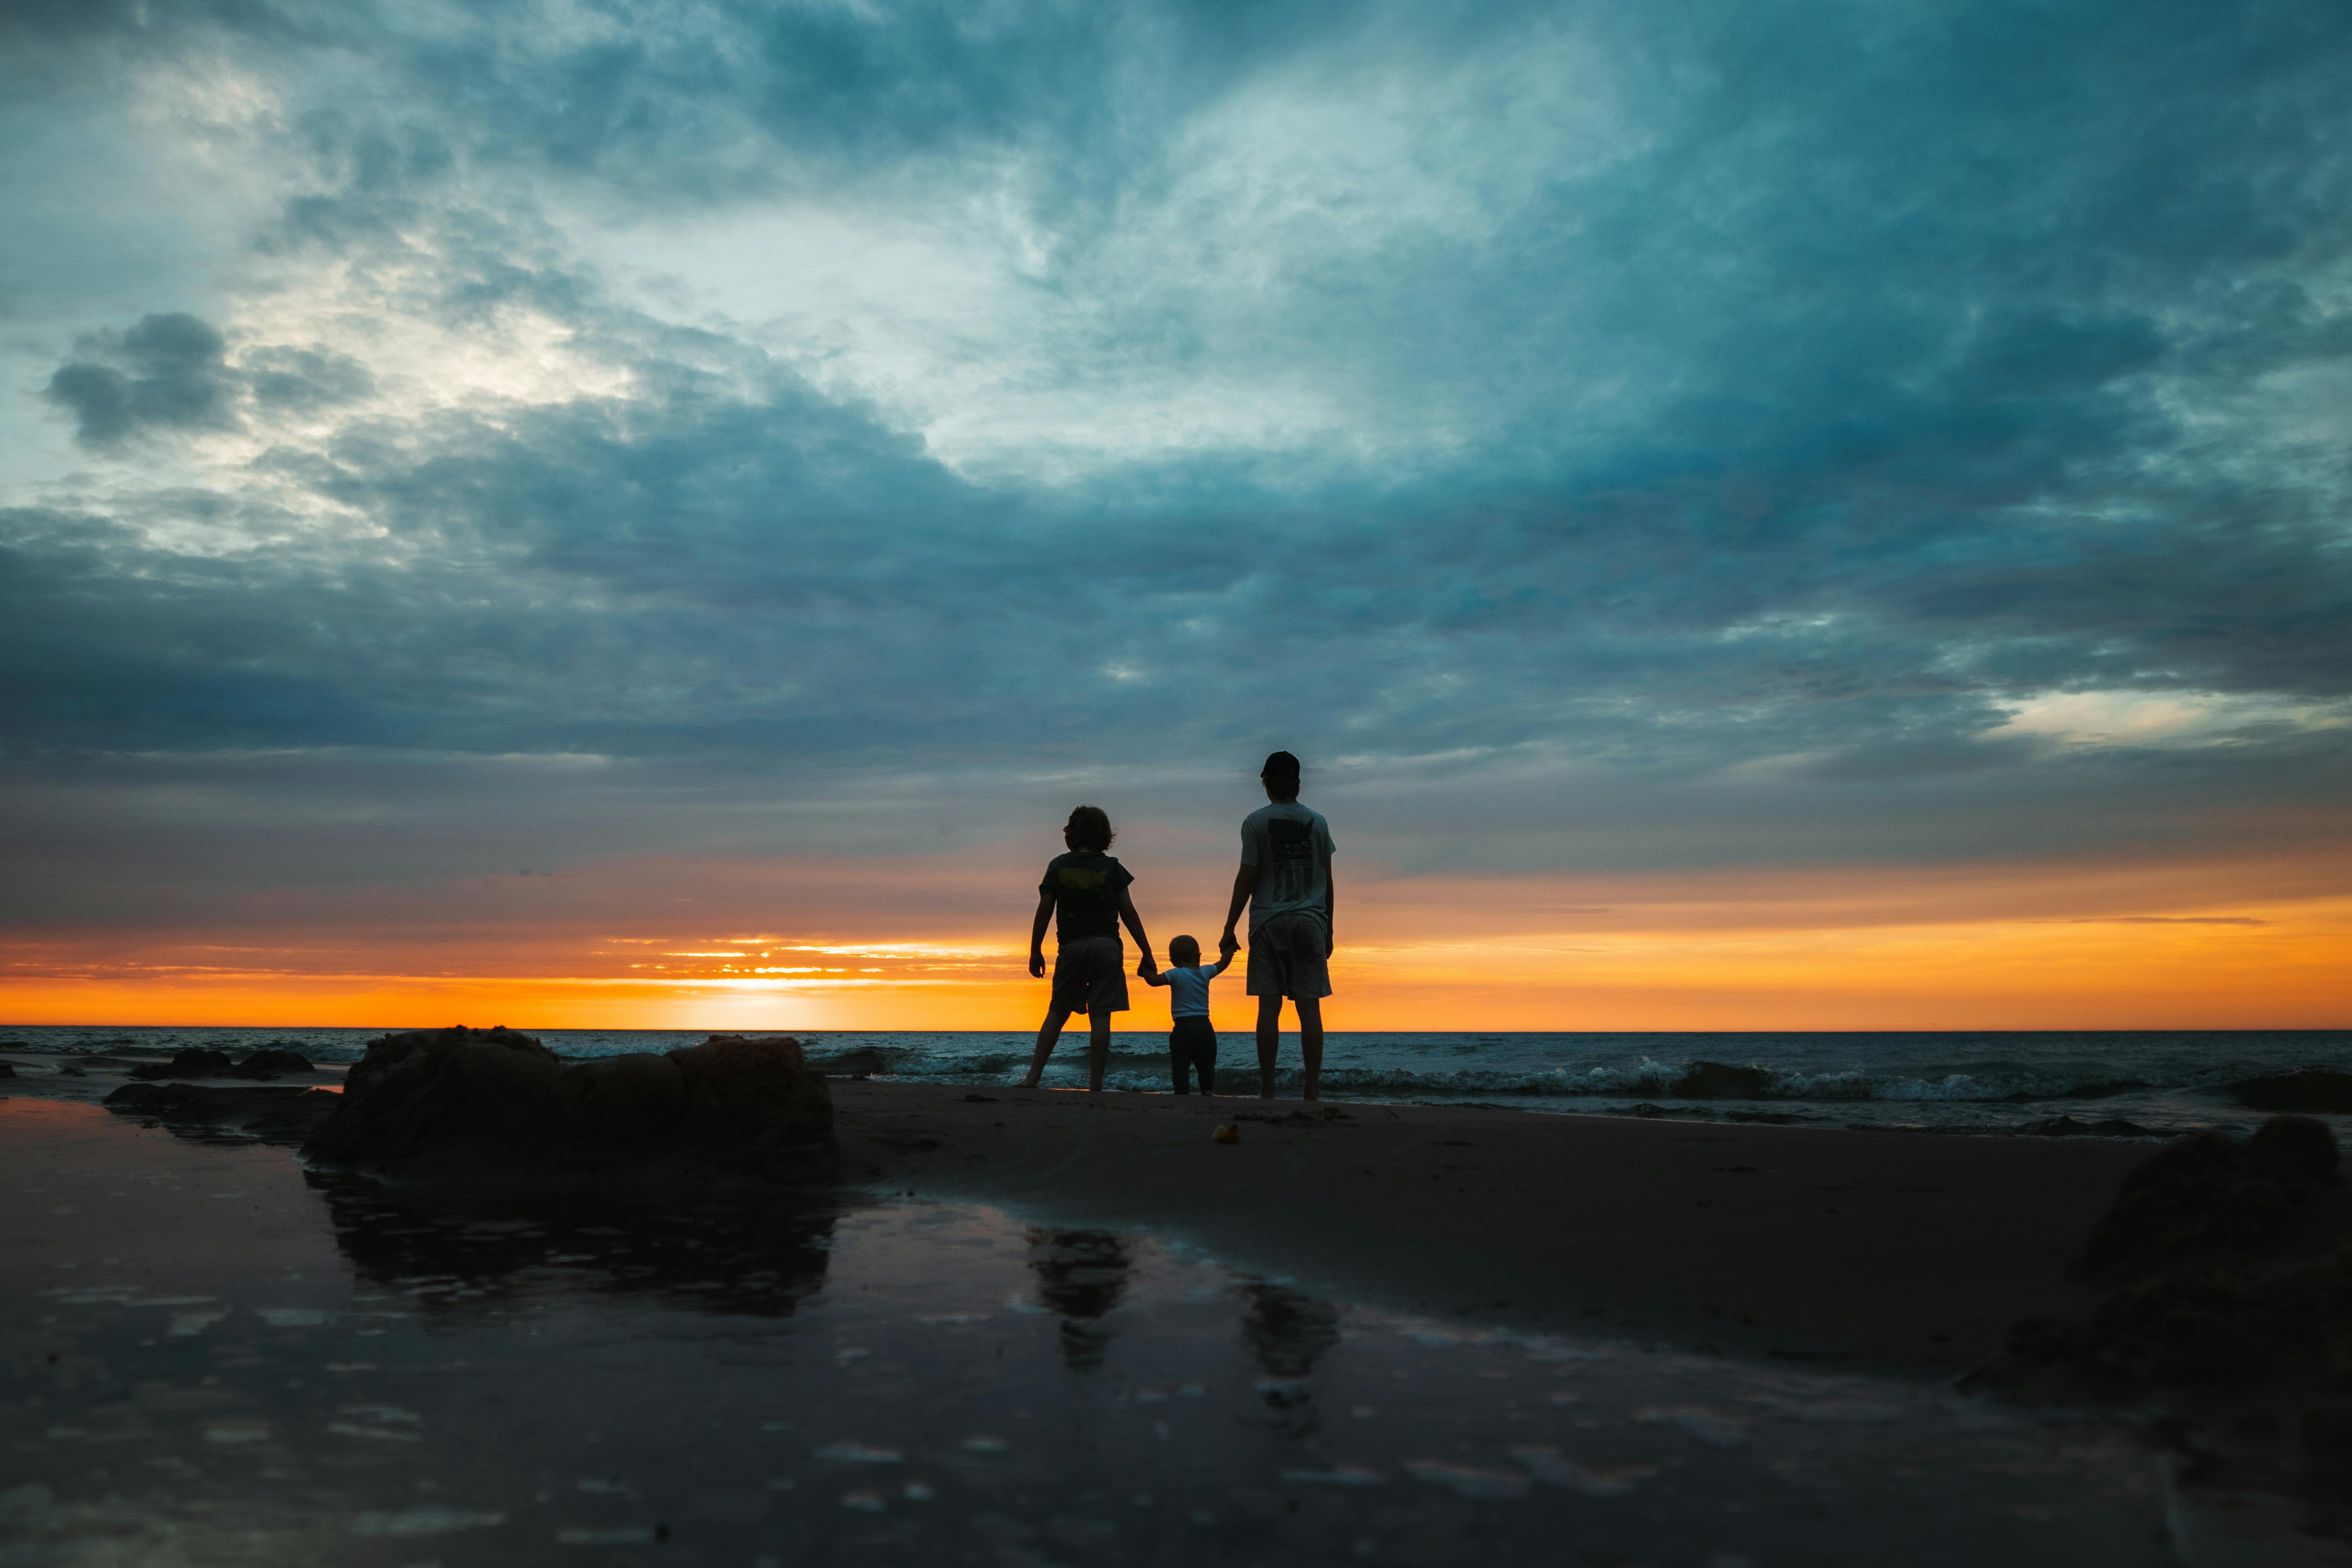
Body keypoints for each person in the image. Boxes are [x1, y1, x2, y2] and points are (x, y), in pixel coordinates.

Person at [1218, 750, 1336, 1100]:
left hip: (1268, 921)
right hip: (1310, 920)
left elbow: (1248, 876)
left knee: (1269, 1008)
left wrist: (1229, 926)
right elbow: (1327, 881)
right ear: (1298, 783)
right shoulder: (1318, 822)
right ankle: (1311, 1089)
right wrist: (1329, 928)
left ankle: (1268, 1089)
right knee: (1309, 1007)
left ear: (1266, 782)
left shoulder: (1255, 822)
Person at [1022, 805, 1156, 1092]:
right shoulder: (1112, 867)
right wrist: (1146, 951)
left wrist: (1035, 950)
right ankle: (1096, 1084)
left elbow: (1044, 911)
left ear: (1072, 833)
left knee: (1057, 1012)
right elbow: (1129, 913)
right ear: (1105, 836)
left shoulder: (1058, 866)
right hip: (1108, 947)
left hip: (1072, 947)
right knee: (1100, 1016)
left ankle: (1032, 1078)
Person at [1142, 934, 1231, 1094]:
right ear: (1199, 956)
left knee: (1180, 1065)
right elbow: (1223, 963)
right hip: (1205, 1027)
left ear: (1173, 961)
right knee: (1207, 1063)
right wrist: (1230, 948)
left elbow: (1154, 981)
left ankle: (1182, 1093)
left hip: (1183, 1028)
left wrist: (1144, 970)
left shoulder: (1176, 974)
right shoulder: (1206, 972)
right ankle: (1207, 1091)